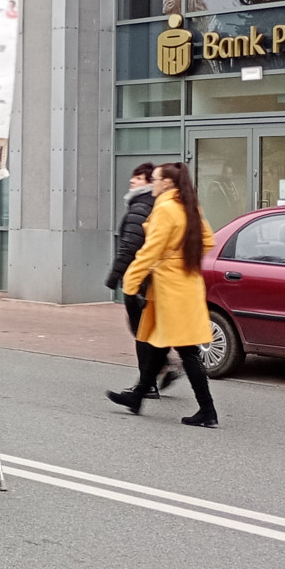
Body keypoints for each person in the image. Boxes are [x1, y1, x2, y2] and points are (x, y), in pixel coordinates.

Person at [106, 162, 219, 428]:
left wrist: (131, 283)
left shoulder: (166, 208)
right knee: (157, 342)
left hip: (169, 289)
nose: (152, 184)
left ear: (167, 183)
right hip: (184, 285)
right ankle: (137, 395)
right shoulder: (189, 205)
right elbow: (208, 240)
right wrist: (183, 259)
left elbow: (150, 251)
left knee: (186, 350)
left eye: (155, 179)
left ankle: (207, 410)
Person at [104, 163, 179, 398]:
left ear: (150, 182)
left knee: (142, 331)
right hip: (154, 279)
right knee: (150, 330)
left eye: (138, 177)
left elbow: (131, 245)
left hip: (140, 279)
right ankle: (162, 370)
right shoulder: (160, 205)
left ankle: (150, 383)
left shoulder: (141, 206)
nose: (132, 181)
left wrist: (115, 275)